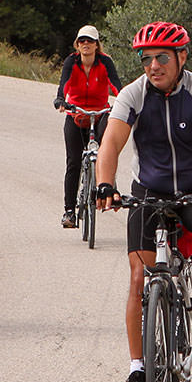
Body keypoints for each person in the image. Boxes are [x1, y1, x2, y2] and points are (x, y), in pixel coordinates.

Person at [94, 21, 192, 382]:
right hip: (148, 193)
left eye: (162, 58)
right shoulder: (133, 95)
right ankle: (139, 369)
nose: (153, 66)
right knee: (139, 278)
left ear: (181, 58)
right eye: (147, 58)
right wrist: (105, 183)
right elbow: (112, 141)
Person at [54, 25, 122, 229]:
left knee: (107, 152)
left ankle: (112, 189)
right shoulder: (71, 62)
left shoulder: (105, 62)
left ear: (96, 44)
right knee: (74, 162)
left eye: (90, 41)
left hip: (99, 113)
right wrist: (60, 99)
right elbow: (64, 83)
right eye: (82, 40)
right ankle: (69, 211)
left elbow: (116, 85)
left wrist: (126, 100)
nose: (86, 44)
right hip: (75, 114)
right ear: (77, 44)